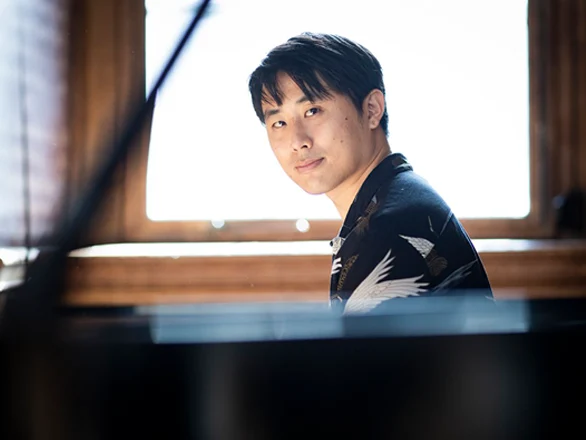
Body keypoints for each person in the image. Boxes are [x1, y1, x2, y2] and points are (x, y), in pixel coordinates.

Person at [248, 32, 492, 314]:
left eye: (313, 110)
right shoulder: (395, 199)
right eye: (278, 123)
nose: (297, 141)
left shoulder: (386, 229)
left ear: (372, 109)